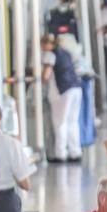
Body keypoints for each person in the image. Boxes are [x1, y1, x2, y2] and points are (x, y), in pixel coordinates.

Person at [41, 34, 84, 163]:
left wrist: (40, 77)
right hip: (76, 89)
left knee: (60, 123)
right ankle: (75, 152)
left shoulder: (50, 55)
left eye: (43, 45)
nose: (42, 48)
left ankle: (60, 154)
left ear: (48, 44)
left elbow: (46, 75)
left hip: (62, 91)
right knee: (72, 122)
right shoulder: (66, 52)